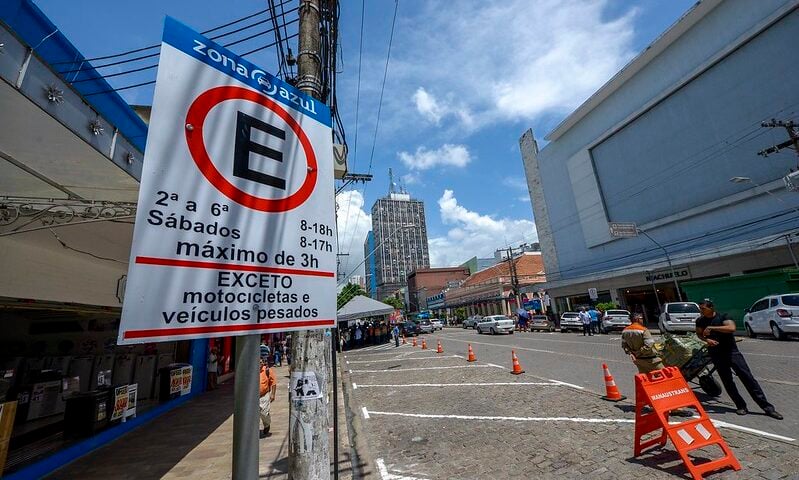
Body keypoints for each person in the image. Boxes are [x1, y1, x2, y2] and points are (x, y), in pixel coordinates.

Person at [696, 299, 782, 420]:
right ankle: (740, 406)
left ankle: (767, 408)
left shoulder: (723, 316)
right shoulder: (700, 320)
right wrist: (706, 340)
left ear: (711, 308)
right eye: (700, 309)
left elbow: (731, 328)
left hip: (732, 352)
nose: (701, 311)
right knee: (728, 382)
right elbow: (699, 334)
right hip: (716, 354)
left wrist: (712, 327)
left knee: (748, 378)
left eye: (703, 309)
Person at [259, 357, 277, 438]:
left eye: (260, 362)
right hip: (252, 397)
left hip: (264, 395)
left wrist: (273, 394)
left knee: (264, 412)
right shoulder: (250, 370)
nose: (259, 363)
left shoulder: (267, 370)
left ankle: (267, 425)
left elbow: (273, 383)